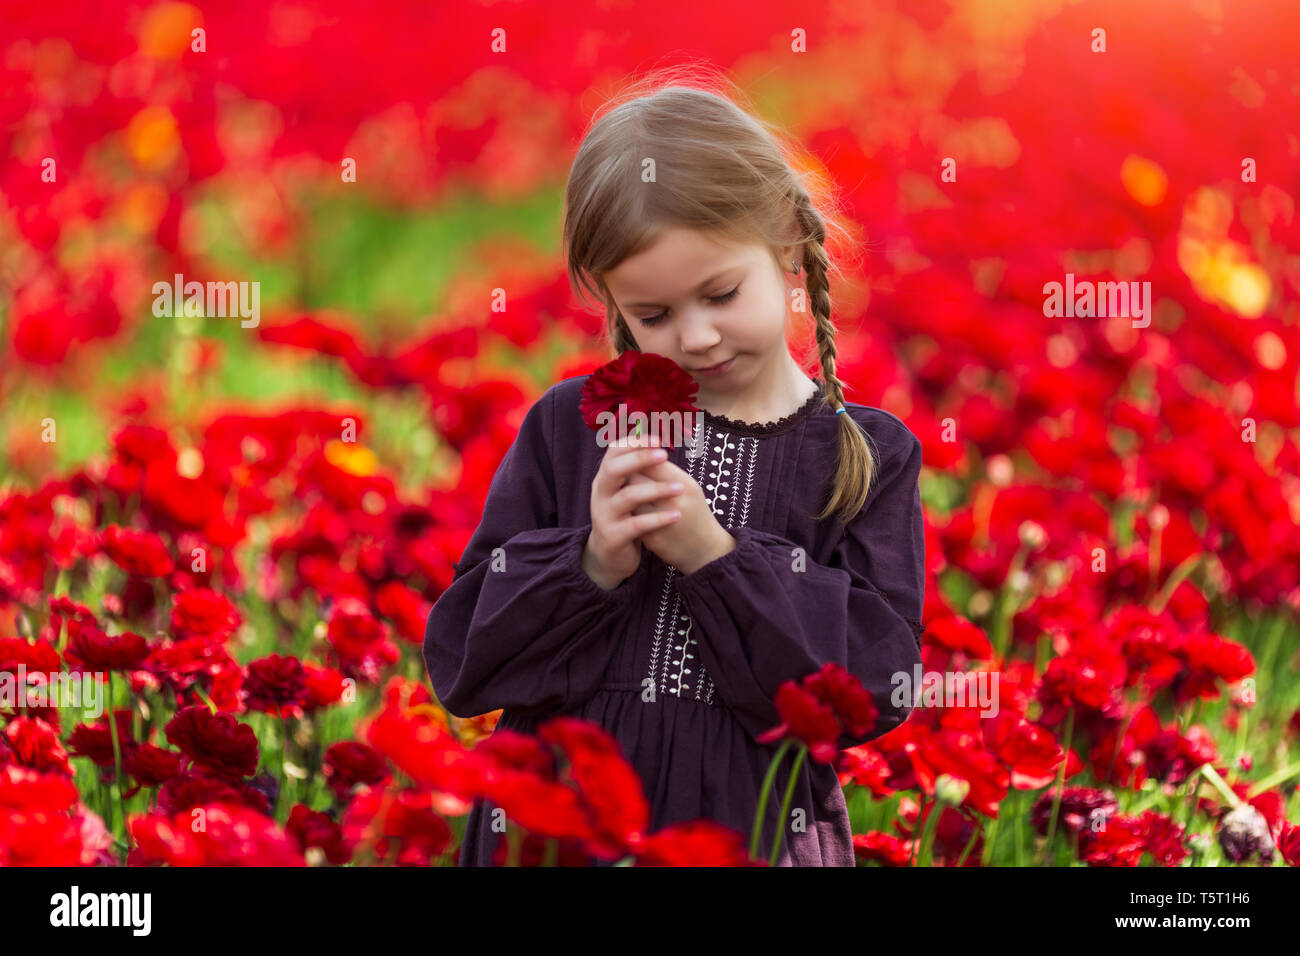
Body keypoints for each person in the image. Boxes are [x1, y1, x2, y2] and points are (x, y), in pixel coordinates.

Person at [422, 72, 926, 866]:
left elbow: (874, 688)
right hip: (562, 822)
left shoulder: (862, 457)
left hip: (750, 832)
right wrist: (591, 562)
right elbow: (464, 659)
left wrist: (718, 563)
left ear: (790, 248)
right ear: (614, 304)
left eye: (721, 294)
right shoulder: (574, 426)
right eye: (652, 315)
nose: (694, 337)